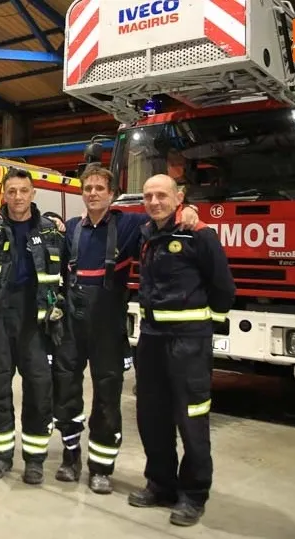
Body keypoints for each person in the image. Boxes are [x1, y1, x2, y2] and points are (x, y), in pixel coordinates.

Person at [52, 166, 199, 494]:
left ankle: (101, 467)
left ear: (112, 194)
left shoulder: (129, 225)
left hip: (108, 327)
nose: (92, 193)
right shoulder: (72, 228)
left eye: (99, 188)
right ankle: (70, 456)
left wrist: (189, 209)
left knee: (106, 397)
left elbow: (163, 220)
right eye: (87, 187)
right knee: (66, 392)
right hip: (72, 327)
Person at [128, 174, 235, 527]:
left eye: (162, 195)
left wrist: (204, 328)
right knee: (152, 416)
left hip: (189, 343)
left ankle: (193, 494)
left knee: (191, 419)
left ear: (179, 198)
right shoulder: (147, 234)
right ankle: (161, 485)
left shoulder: (199, 234)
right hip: (152, 339)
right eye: (148, 196)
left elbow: (223, 287)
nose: (154, 201)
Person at [0, 168, 65, 484]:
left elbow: (68, 275)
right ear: (5, 194)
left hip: (35, 320)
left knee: (39, 388)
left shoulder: (51, 232)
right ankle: (1, 455)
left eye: (23, 190)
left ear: (33, 194)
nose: (18, 197)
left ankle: (34, 460)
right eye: (12, 191)